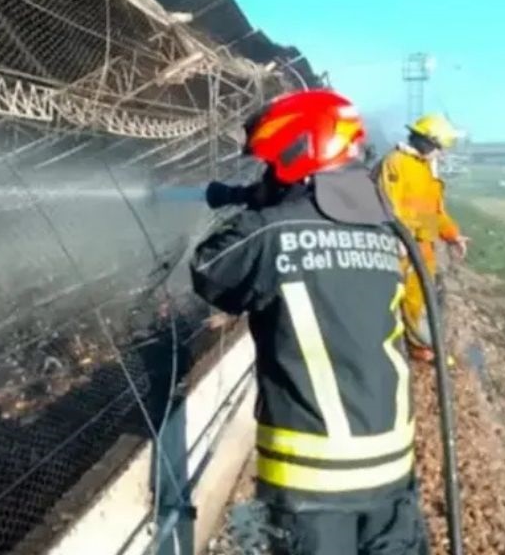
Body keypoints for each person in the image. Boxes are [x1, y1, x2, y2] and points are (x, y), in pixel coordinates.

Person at [192, 89, 429, 555]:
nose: (266, 174)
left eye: (269, 165)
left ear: (297, 152)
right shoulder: (383, 232)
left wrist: (258, 209)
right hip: (392, 468)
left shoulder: (272, 230)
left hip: (313, 482)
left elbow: (210, 271)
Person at [375, 113, 469, 363]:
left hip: (423, 247)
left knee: (420, 300)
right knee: (398, 301)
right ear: (427, 142)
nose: (442, 153)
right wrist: (400, 241)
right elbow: (389, 208)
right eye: (440, 147)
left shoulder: (425, 168)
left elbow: (435, 213)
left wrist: (452, 234)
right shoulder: (395, 163)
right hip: (403, 248)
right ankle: (416, 348)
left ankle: (421, 346)